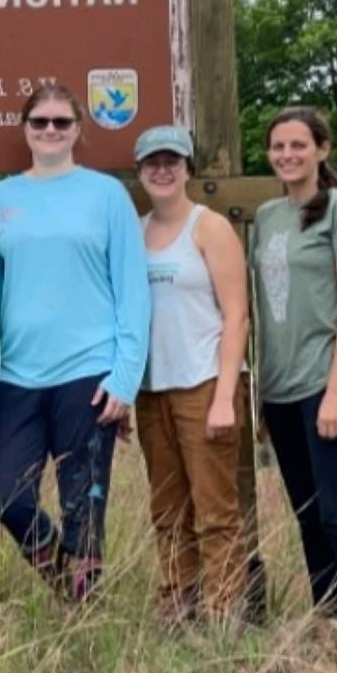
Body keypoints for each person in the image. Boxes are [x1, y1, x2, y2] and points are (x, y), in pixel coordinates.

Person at [0, 84, 149, 602]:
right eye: (39, 122)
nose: (50, 131)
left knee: (84, 505)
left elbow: (133, 291)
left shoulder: (107, 196)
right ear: (24, 129)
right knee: (7, 498)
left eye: (61, 122)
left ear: (78, 130)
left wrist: (125, 379)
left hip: (89, 374)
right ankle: (60, 575)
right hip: (15, 377)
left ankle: (85, 612)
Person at [252, 107, 337, 649]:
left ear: (322, 150)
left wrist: (336, 391)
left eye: (299, 145)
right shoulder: (267, 216)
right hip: (282, 391)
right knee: (308, 516)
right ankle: (327, 626)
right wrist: (260, 394)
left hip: (333, 385)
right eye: (278, 147)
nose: (288, 155)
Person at [132, 124, 259, 624]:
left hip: (205, 384)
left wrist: (226, 395)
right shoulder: (135, 231)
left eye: (172, 161)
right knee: (167, 513)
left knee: (215, 514)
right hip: (150, 390)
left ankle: (227, 615)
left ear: (188, 167)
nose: (162, 171)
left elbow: (237, 315)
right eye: (151, 163)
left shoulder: (209, 228)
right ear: (140, 170)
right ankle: (177, 614)